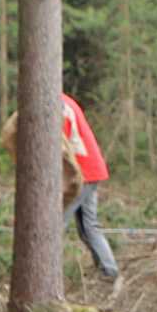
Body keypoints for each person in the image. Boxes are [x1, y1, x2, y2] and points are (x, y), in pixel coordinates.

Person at [63, 92, 120, 282]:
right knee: (89, 226)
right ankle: (108, 269)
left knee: (55, 223)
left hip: (82, 172)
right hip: (91, 169)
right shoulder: (66, 102)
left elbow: (58, 145)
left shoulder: (58, 106)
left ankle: (47, 275)